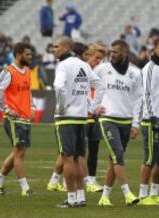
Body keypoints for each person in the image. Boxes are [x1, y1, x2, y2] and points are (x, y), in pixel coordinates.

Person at [52, 36, 105, 208]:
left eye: (56, 46)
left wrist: (60, 106)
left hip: (66, 118)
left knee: (67, 158)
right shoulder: (84, 65)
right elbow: (100, 86)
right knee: (77, 158)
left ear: (67, 48)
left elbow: (59, 87)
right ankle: (81, 197)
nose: (54, 49)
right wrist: (91, 108)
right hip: (82, 118)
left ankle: (71, 198)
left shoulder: (63, 66)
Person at [95, 40, 142, 206]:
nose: (111, 54)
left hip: (126, 121)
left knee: (114, 160)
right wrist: (93, 106)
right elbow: (85, 86)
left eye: (115, 52)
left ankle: (104, 197)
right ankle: (127, 193)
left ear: (124, 53)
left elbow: (138, 100)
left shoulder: (136, 73)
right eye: (111, 51)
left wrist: (136, 124)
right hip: (108, 119)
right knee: (118, 155)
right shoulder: (102, 69)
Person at [0, 42, 35, 197]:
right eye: (27, 54)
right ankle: (25, 188)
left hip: (25, 118)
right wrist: (7, 110)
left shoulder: (27, 70)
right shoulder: (9, 71)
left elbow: (28, 93)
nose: (30, 56)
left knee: (18, 152)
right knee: (19, 152)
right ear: (18, 55)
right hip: (14, 119)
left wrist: (32, 107)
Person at [137, 36, 159, 206]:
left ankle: (154, 193)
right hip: (152, 121)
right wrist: (152, 117)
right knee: (150, 158)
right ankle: (143, 196)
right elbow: (146, 94)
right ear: (154, 50)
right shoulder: (150, 68)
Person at [83, 43, 107, 192]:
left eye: (101, 59)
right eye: (97, 58)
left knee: (94, 149)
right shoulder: (82, 70)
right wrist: (91, 107)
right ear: (88, 55)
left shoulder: (101, 72)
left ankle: (91, 180)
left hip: (95, 115)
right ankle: (69, 180)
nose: (98, 61)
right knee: (78, 151)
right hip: (82, 115)